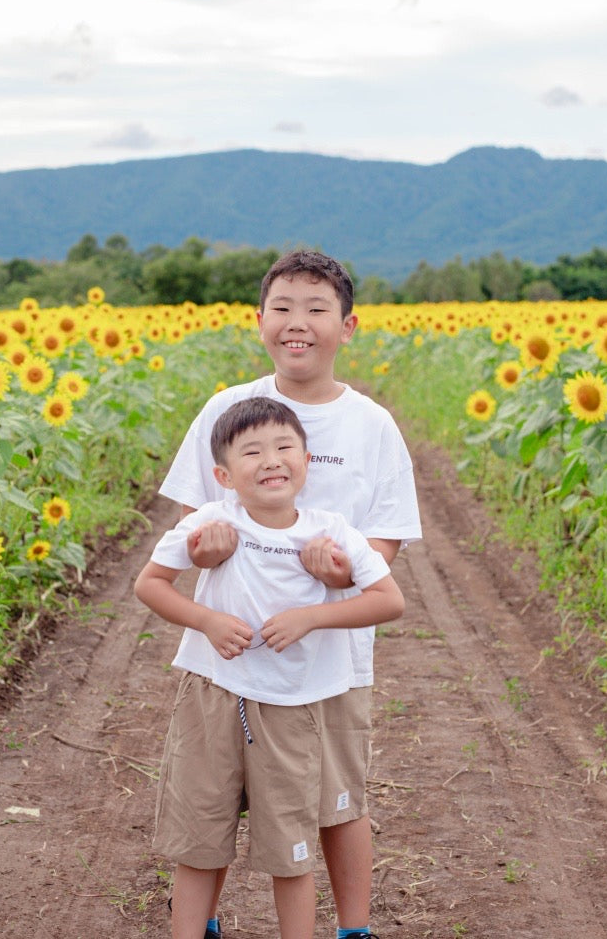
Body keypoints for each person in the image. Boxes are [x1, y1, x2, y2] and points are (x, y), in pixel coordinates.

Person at [158, 250, 422, 939]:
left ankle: (354, 928)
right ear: (259, 320)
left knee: (337, 798)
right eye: (283, 308)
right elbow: (193, 518)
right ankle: (203, 920)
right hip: (232, 654)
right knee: (213, 797)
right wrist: (203, 544)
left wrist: (336, 577)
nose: (297, 323)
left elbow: (386, 540)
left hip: (330, 655)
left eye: (316, 309)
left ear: (348, 325)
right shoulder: (227, 408)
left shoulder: (372, 426)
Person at [137, 396, 405, 939]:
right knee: (200, 832)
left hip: (293, 706)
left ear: (308, 462)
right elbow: (149, 584)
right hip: (213, 692)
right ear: (223, 475)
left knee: (291, 846)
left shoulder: (331, 533)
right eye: (251, 451)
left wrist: (312, 617)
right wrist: (207, 620)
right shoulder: (214, 521)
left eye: (284, 447)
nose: (271, 460)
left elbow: (389, 600)